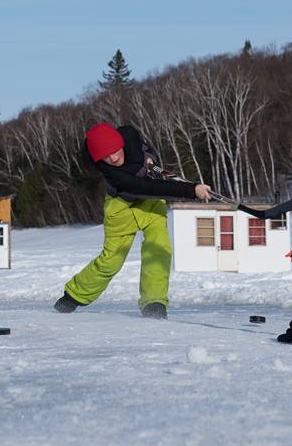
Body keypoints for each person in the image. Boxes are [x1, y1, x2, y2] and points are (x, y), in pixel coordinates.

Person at [54, 122, 212, 319]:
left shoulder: (132, 137)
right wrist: (191, 190)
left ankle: (154, 303)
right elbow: (149, 187)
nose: (112, 158)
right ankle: (72, 298)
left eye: (114, 150)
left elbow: (147, 166)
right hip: (121, 209)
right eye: (105, 156)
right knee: (111, 262)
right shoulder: (113, 175)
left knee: (159, 249)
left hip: (151, 205)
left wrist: (152, 165)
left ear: (121, 142)